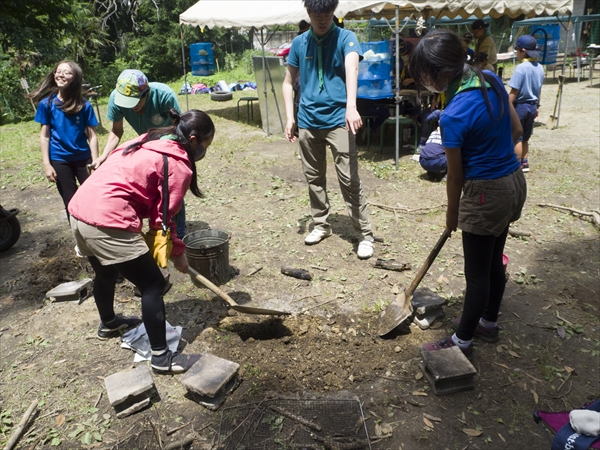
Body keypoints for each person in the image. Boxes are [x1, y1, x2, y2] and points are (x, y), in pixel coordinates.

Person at [68, 109, 215, 374]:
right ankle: (161, 357)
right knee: (153, 285)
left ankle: (109, 323)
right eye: (205, 146)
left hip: (80, 209)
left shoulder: (150, 139)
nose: (204, 152)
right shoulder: (177, 163)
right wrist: (178, 252)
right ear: (193, 140)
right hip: (107, 217)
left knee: (105, 272)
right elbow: (162, 218)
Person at [410, 29, 526, 359]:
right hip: (513, 184)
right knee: (492, 263)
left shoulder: (455, 113)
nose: (424, 81)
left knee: (476, 276)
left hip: (486, 194)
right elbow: (517, 131)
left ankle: (462, 342)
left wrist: (452, 215)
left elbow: (456, 176)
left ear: (440, 73)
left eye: (424, 75)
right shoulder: (489, 79)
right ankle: (487, 322)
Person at [282, 0, 375, 260]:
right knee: (314, 178)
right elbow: (288, 82)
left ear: (334, 11)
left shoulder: (346, 37)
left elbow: (352, 66)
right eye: (316, 13)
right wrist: (290, 117)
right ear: (308, 13)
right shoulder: (300, 43)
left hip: (338, 120)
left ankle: (365, 234)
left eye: (327, 13)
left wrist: (351, 106)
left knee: (349, 179)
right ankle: (321, 224)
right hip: (308, 121)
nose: (322, 19)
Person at [90, 70, 188, 237]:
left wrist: (163, 147)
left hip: (167, 143)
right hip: (145, 145)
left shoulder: (164, 95)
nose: (132, 107)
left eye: (135, 101)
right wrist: (104, 155)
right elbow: (116, 130)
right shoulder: (116, 98)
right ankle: (156, 229)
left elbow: (178, 128)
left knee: (171, 188)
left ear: (147, 92)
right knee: (149, 189)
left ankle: (179, 232)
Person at [28, 61, 99, 220]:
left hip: (83, 159)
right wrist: (47, 164)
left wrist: (95, 162)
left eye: (66, 72)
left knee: (93, 196)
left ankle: (94, 231)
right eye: (58, 71)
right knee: (70, 200)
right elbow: (44, 136)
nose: (60, 75)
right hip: (59, 160)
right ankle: (78, 236)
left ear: (75, 78)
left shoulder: (84, 105)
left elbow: (92, 135)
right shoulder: (46, 104)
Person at [508, 35, 545, 173]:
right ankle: (525, 162)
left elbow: (514, 92)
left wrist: (505, 106)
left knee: (517, 135)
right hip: (532, 105)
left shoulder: (521, 68)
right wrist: (537, 106)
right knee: (526, 137)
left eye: (517, 51)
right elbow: (539, 90)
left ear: (523, 51)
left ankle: (516, 164)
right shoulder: (540, 68)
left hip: (520, 106)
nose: (516, 53)